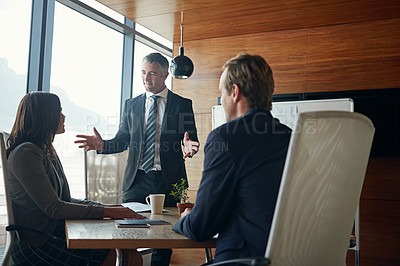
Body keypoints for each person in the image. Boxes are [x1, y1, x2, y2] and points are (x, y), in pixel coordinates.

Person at [75, 52, 199, 265]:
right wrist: (103, 145)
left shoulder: (182, 104)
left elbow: (191, 138)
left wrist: (190, 146)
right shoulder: (131, 105)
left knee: (165, 239)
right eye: (143, 72)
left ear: (164, 75)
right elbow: (123, 140)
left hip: (172, 181)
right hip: (137, 179)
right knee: (126, 234)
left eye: (152, 73)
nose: (146, 78)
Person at [172, 53, 292, 263]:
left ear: (234, 92)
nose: (223, 100)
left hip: (244, 259)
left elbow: (201, 227)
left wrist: (185, 219)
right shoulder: (291, 137)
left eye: (222, 93)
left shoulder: (225, 137)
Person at [6, 92, 144, 265]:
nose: (63, 116)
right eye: (59, 111)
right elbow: (55, 208)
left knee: (129, 254)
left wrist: (107, 208)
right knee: (130, 258)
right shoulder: (26, 153)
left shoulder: (44, 150)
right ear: (46, 116)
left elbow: (63, 200)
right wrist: (108, 212)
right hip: (38, 244)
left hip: (54, 233)